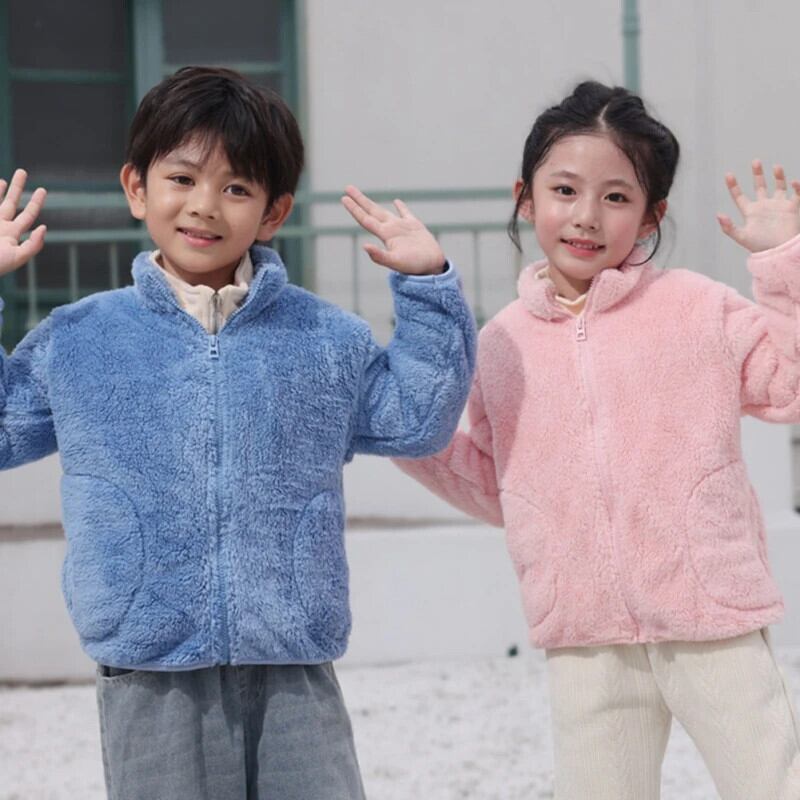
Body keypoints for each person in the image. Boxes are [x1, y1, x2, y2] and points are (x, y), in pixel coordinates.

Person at [0, 66, 476, 799]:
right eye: (181, 178)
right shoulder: (81, 339)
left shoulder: (323, 339)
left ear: (274, 211)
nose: (204, 205)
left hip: (292, 658)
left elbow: (417, 418)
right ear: (136, 188)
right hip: (149, 666)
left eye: (237, 187)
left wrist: (428, 286)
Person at [395, 80, 800, 799]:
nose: (586, 216)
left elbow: (787, 385)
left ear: (651, 215)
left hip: (711, 616)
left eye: (616, 196)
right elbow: (497, 486)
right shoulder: (502, 345)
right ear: (526, 198)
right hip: (585, 634)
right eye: (564, 190)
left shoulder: (697, 309)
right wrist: (404, 435)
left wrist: (785, 266)